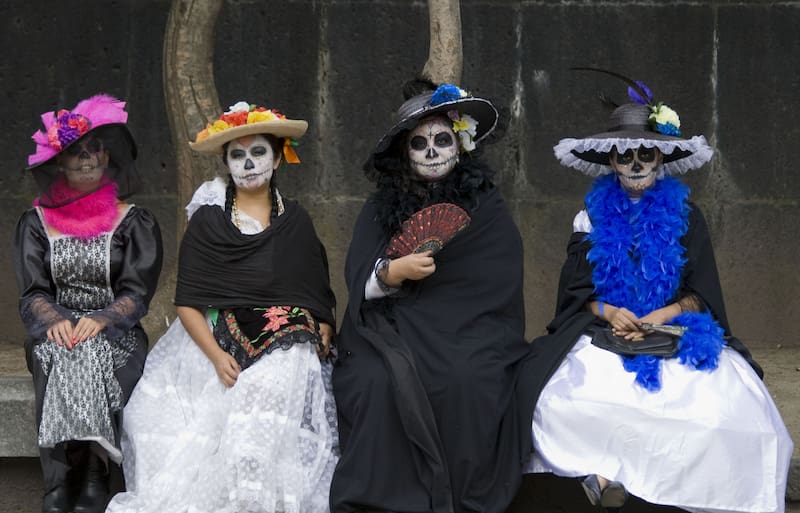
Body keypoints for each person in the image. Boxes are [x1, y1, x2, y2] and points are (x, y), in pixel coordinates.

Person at [523, 73, 793, 513]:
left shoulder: (687, 217)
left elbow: (702, 293)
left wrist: (659, 317)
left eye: (644, 153)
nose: (635, 163)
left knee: (719, 408)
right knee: (568, 399)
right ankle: (604, 476)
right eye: (625, 155)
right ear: (612, 161)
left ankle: (641, 486)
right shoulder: (589, 217)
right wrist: (609, 311)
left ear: (660, 157)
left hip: (672, 330)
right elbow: (575, 292)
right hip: (604, 332)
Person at [105, 101, 338, 513]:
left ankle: (256, 495)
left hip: (287, 341)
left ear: (277, 158)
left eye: (258, 152)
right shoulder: (210, 221)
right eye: (237, 155)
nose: (248, 164)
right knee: (163, 417)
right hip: (215, 336)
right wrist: (215, 357)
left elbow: (315, 290)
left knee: (269, 388)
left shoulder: (296, 221)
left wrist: (325, 324)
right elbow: (188, 302)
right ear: (226, 164)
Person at [330, 80, 534, 513]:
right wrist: (391, 273)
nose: (431, 152)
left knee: (466, 379)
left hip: (468, 331)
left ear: (460, 144)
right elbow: (358, 277)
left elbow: (497, 282)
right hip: (391, 326)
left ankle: (457, 500)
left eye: (442, 140)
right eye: (419, 143)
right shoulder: (379, 208)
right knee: (375, 380)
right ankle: (387, 502)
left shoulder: (487, 207)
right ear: (405, 153)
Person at [13, 94, 163, 513]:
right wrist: (54, 320)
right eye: (75, 152)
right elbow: (33, 291)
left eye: (94, 149)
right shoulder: (36, 223)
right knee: (61, 350)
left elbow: (137, 292)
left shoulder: (133, 220)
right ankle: (65, 479)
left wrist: (102, 319)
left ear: (107, 156)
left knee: (92, 348)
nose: (86, 159)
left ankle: (92, 475)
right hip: (53, 329)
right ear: (59, 163)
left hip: (118, 332)